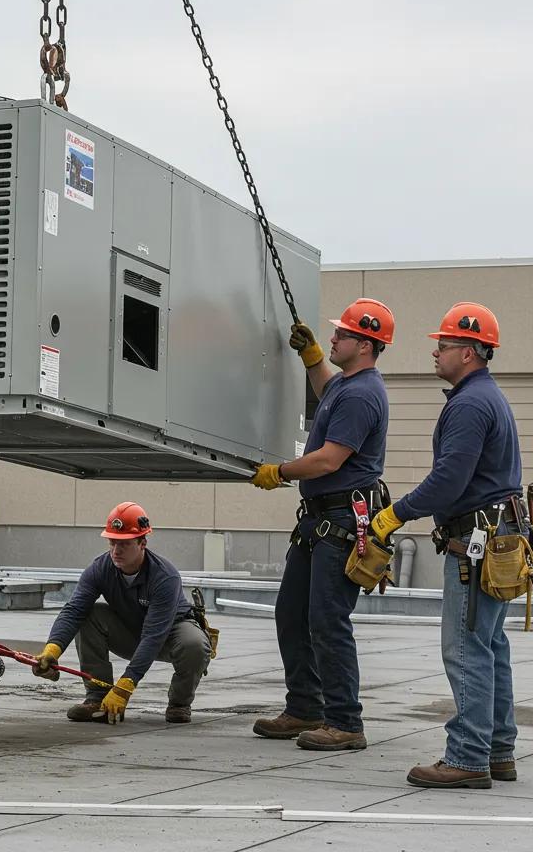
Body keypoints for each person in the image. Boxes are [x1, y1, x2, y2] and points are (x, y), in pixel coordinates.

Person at [370, 303, 523, 789]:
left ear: (471, 352)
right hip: (498, 539)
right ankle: (497, 750)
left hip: (476, 544)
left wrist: (396, 514)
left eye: (445, 345)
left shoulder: (470, 404)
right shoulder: (487, 397)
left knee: (465, 649)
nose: (436, 352)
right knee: (490, 645)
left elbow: (448, 480)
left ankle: (468, 757)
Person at [249, 299, 392, 751]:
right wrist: (313, 359)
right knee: (291, 614)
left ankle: (345, 721)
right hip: (318, 522)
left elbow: (330, 458)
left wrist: (281, 472)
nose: (332, 339)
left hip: (340, 521)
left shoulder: (362, 394)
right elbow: (328, 388)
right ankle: (305, 707)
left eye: (341, 335)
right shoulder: (346, 385)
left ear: (365, 345)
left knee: (328, 621)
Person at [31, 502, 212, 724]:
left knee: (194, 644)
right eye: (112, 542)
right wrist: (52, 650)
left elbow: (154, 634)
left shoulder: (165, 577)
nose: (116, 551)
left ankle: (179, 704)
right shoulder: (100, 568)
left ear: (142, 542)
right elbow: (74, 610)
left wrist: (125, 686)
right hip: (131, 631)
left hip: (169, 635)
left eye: (124, 544)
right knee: (89, 614)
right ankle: (97, 699)